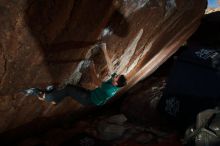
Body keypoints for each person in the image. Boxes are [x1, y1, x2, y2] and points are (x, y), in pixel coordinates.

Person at [23, 43, 127, 106]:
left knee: (68, 89)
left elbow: (95, 81)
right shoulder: (115, 82)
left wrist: (91, 67)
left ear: (116, 83)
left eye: (116, 77)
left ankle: (47, 97)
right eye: (117, 76)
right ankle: (56, 99)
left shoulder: (109, 90)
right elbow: (110, 66)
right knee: (71, 89)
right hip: (92, 95)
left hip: (90, 100)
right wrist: (104, 50)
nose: (115, 76)